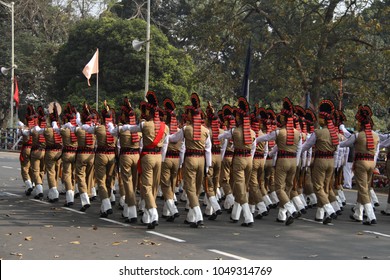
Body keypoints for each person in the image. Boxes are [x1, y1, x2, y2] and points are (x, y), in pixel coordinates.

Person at [120, 91, 169, 229]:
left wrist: (124, 127)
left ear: (151, 112)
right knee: (154, 186)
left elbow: (132, 127)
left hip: (147, 157)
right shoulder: (165, 127)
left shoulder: (144, 125)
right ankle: (147, 215)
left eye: (147, 110)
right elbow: (165, 145)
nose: (145, 112)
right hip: (159, 157)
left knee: (146, 186)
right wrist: (162, 158)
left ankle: (153, 213)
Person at [254, 97, 300, 226]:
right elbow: (300, 148)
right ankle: (282, 215)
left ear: (284, 119)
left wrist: (255, 139)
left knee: (279, 188)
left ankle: (291, 210)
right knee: (288, 188)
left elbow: (266, 138)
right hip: (293, 160)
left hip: (283, 160)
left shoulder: (279, 132)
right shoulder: (298, 133)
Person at [168, 93, 212, 228]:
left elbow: (175, 139)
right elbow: (208, 149)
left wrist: (165, 136)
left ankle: (198, 215)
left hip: (190, 159)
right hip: (202, 160)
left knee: (190, 188)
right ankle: (191, 217)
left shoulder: (186, 129)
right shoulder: (206, 130)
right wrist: (207, 166)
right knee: (197, 188)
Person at [339, 104, 380, 225]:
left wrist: (335, 141)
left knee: (362, 189)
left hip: (361, 163)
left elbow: (344, 144)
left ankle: (371, 217)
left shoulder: (358, 135)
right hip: (371, 163)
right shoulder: (376, 136)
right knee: (365, 187)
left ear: (361, 124)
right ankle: (358, 212)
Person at [219, 97, 256, 227]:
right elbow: (253, 146)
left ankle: (248, 217)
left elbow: (221, 136)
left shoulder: (234, 131)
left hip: (239, 160)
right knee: (242, 187)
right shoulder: (252, 132)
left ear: (239, 118)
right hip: (249, 159)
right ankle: (235, 214)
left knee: (240, 187)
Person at [301, 99, 339, 224]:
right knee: (326, 187)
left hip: (321, 161)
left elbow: (306, 146)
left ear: (323, 119)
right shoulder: (335, 134)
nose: (319, 120)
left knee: (318, 187)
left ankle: (329, 211)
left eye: (320, 118)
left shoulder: (318, 132)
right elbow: (337, 148)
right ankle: (320, 214)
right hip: (331, 161)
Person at [80, 101, 117, 218]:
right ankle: (104, 207)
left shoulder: (99, 128)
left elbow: (86, 128)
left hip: (101, 156)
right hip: (112, 156)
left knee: (101, 181)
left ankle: (106, 204)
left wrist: (82, 119)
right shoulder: (116, 129)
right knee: (109, 180)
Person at [108, 97, 141, 223]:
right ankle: (127, 209)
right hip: (136, 156)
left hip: (126, 156)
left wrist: (110, 122)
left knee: (127, 183)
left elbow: (111, 132)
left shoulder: (121, 128)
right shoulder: (137, 128)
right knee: (133, 183)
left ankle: (132, 212)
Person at [65, 103, 97, 212]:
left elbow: (72, 126)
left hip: (81, 155)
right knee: (89, 176)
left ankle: (85, 199)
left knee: (80, 176)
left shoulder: (78, 130)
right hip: (92, 155)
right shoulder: (94, 129)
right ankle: (90, 193)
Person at [160, 98, 182, 222]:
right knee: (172, 184)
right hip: (177, 159)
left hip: (167, 158)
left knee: (165, 184)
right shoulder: (179, 131)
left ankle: (172, 209)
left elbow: (164, 145)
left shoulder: (165, 129)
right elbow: (183, 147)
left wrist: (161, 159)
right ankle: (166, 210)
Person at [202, 102, 223, 220]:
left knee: (208, 184)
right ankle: (209, 210)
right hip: (219, 157)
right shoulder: (220, 131)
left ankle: (215, 207)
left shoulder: (206, 130)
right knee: (215, 183)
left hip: (209, 158)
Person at [59, 103, 78, 207]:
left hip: (67, 153)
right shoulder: (78, 129)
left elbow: (56, 129)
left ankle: (69, 197)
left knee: (66, 174)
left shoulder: (63, 130)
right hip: (76, 153)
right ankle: (73, 191)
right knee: (74, 174)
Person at [219, 104, 236, 212]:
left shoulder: (227, 133)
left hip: (226, 157)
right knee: (232, 180)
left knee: (224, 180)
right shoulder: (237, 131)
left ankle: (231, 199)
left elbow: (223, 147)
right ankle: (228, 204)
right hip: (235, 157)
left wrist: (220, 159)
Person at [17, 104, 37, 196]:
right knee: (32, 168)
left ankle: (29, 185)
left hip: (27, 149)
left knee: (25, 168)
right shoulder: (37, 128)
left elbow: (19, 133)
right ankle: (33, 183)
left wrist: (21, 126)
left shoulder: (25, 128)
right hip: (34, 149)